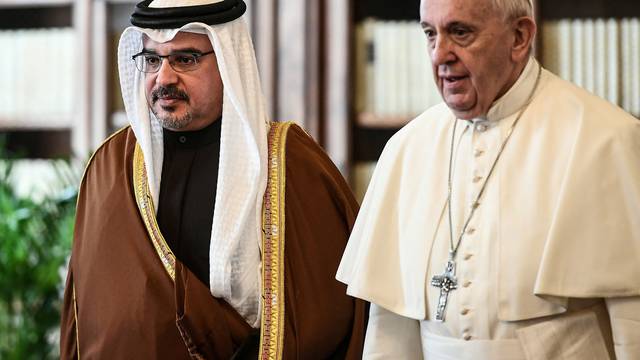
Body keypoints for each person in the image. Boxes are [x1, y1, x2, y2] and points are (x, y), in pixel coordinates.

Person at [59, 0, 367, 358]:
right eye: (152, 60)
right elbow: (88, 321)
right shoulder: (109, 168)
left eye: (185, 59)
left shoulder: (291, 163)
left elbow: (329, 316)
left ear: (227, 59)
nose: (164, 78)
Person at [337, 0, 640, 358]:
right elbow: (390, 329)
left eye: (460, 32)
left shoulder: (603, 138)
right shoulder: (407, 148)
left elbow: (632, 323)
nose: (439, 55)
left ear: (519, 37)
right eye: (430, 34)